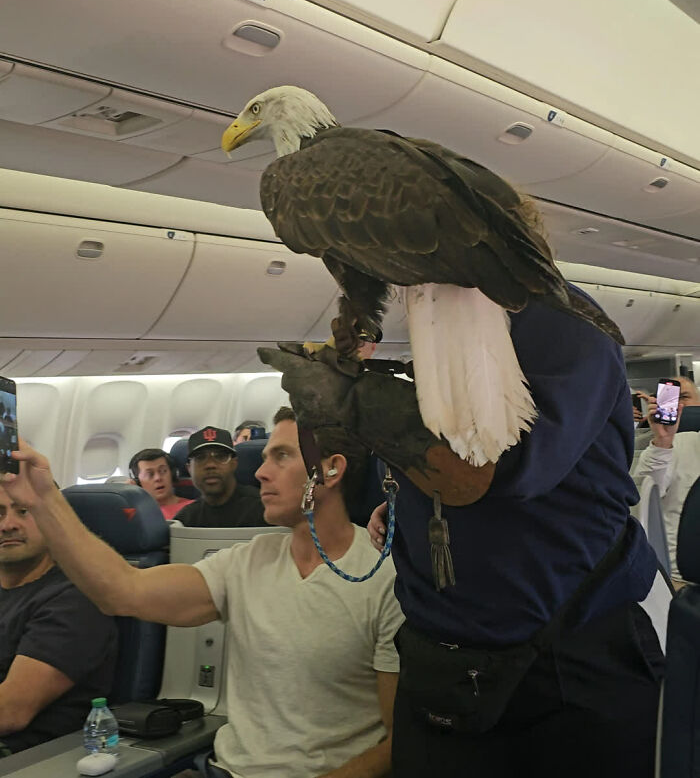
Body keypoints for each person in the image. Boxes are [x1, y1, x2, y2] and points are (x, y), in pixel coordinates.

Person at [362, 292, 670, 778]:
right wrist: (405, 506)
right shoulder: (438, 317)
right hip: (443, 655)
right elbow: (443, 449)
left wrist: (359, 403)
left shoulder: (564, 319)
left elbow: (506, 466)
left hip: (579, 650)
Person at [0, 410, 404, 778]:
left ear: (330, 471)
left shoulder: (384, 580)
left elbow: (396, 744)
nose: (260, 473)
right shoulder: (248, 562)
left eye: (280, 457)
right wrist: (43, 499)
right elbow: (123, 592)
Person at [0, 486, 117, 755]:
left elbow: (10, 712)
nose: (8, 525)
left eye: (23, 511)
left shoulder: (76, 599)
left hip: (27, 757)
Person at [635, 377, 700, 583]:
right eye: (675, 398)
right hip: (679, 579)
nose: (679, 404)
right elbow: (644, 497)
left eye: (685, 398)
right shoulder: (673, 446)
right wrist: (663, 440)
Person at [173, 427, 266, 527]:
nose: (210, 465)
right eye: (200, 458)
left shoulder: (263, 508)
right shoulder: (185, 520)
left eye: (220, 456)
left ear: (234, 463)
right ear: (189, 468)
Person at [129, 448, 194, 520]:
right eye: (150, 474)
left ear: (172, 474)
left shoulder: (192, 508)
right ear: (138, 482)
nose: (158, 478)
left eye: (163, 471)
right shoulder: (136, 512)